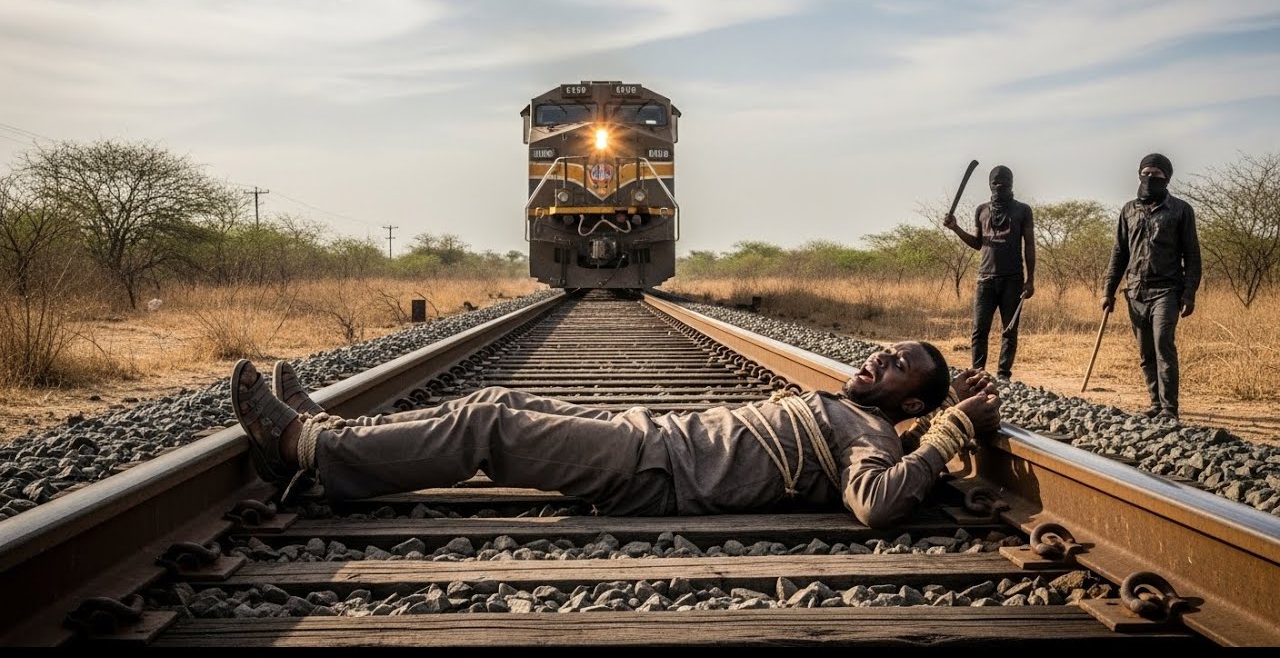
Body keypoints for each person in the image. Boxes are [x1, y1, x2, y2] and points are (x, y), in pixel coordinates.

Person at [230, 342, 1002, 529]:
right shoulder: (852, 408)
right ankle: (336, 434)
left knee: (488, 426)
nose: (881, 357)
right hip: (644, 437)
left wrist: (952, 430)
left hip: (653, 468)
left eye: (900, 365)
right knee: (499, 398)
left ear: (910, 403)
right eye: (887, 349)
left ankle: (304, 448)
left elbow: (875, 503)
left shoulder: (873, 435)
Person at [1101, 152, 1202, 421]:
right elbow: (1119, 253)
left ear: (1166, 178)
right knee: (1145, 351)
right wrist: (1108, 291)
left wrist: (1189, 293)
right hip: (1135, 291)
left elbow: (1192, 255)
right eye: (1145, 173)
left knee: (1163, 344)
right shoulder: (1129, 210)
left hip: (1167, 290)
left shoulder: (1181, 210)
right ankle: (1156, 404)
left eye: (1156, 174)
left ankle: (1169, 409)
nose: (1149, 178)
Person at [943, 165, 1037, 381]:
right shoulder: (982, 210)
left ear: (1012, 183)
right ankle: (977, 373)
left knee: (1009, 330)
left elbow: (1030, 245)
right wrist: (955, 228)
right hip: (985, 279)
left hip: (1013, 279)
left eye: (1004, 181)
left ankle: (1003, 376)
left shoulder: (1023, 210)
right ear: (989, 184)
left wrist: (1030, 279)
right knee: (979, 329)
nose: (999, 185)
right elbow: (978, 243)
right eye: (995, 181)